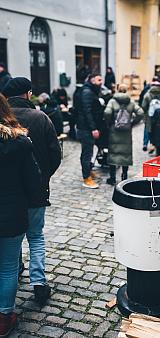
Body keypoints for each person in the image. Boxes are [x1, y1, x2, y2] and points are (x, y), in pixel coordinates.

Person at [2, 77, 61, 306]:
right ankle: (38, 283)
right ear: (28, 93)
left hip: (8, 193)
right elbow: (55, 155)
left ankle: (14, 271)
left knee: (11, 238)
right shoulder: (40, 117)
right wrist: (42, 177)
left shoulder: (4, 119)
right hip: (36, 191)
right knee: (35, 237)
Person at [0, 94, 41, 336]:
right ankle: (4, 317)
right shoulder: (20, 143)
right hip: (11, 214)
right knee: (7, 267)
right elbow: (33, 181)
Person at [104, 84, 144, 185]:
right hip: (126, 131)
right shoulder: (130, 102)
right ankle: (124, 176)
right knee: (126, 154)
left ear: (118, 89)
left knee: (113, 153)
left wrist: (110, 123)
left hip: (114, 130)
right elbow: (140, 112)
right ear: (126, 90)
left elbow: (107, 112)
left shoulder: (112, 101)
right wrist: (132, 123)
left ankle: (112, 178)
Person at [76, 73, 103, 188]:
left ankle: (89, 171)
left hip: (87, 128)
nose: (101, 82)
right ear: (92, 80)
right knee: (87, 153)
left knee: (89, 152)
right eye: (99, 80)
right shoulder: (87, 92)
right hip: (85, 128)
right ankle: (86, 178)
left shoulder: (90, 90)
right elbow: (87, 112)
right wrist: (93, 128)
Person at [142, 80, 160, 154]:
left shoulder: (147, 95)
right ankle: (155, 145)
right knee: (157, 131)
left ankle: (145, 144)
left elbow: (143, 106)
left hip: (149, 116)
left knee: (147, 129)